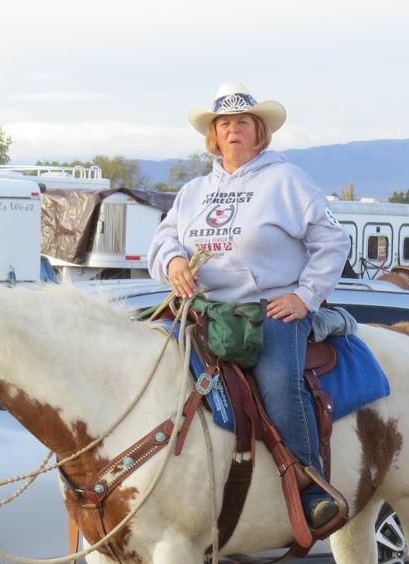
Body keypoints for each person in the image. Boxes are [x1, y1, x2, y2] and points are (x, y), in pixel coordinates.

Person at [149, 83, 349, 529]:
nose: (233, 130)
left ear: (260, 134)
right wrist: (174, 260)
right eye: (225, 124)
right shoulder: (194, 191)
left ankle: (313, 486)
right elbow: (163, 238)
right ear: (214, 136)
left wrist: (305, 296)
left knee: (279, 386)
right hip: (203, 311)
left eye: (243, 123)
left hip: (270, 311)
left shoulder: (288, 181)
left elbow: (333, 240)